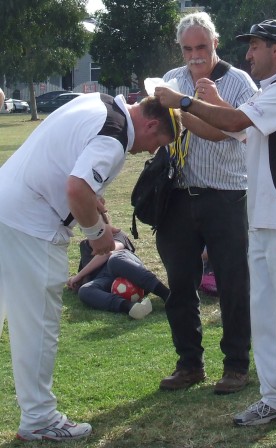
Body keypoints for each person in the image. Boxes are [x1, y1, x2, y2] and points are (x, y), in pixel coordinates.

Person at [155, 19, 276, 432]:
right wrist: (185, 109)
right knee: (264, 319)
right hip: (262, 224)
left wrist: (186, 101)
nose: (248, 55)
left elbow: (232, 124)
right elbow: (225, 129)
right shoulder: (266, 96)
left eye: (256, 46)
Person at [0, 92, 182, 441]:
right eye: (158, 141)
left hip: (8, 204)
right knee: (38, 325)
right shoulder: (114, 138)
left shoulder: (97, 102)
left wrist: (91, 201)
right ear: (152, 123)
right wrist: (98, 236)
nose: (151, 150)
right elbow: (77, 187)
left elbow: (69, 165)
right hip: (31, 225)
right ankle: (39, 417)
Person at [155, 11, 257, 394]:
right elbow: (161, 129)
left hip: (227, 194)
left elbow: (229, 131)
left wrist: (182, 108)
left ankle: (236, 365)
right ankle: (189, 364)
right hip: (178, 195)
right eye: (187, 48)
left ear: (215, 42)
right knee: (180, 285)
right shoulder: (171, 79)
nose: (195, 55)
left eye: (201, 46)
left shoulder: (239, 82)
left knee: (234, 283)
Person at [67, 228, 169, 318]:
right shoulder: (84, 246)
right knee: (84, 290)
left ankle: (167, 295)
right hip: (106, 279)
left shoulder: (117, 235)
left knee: (114, 260)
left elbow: (108, 253)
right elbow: (86, 278)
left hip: (127, 269)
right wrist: (75, 282)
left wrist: (79, 276)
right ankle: (130, 307)